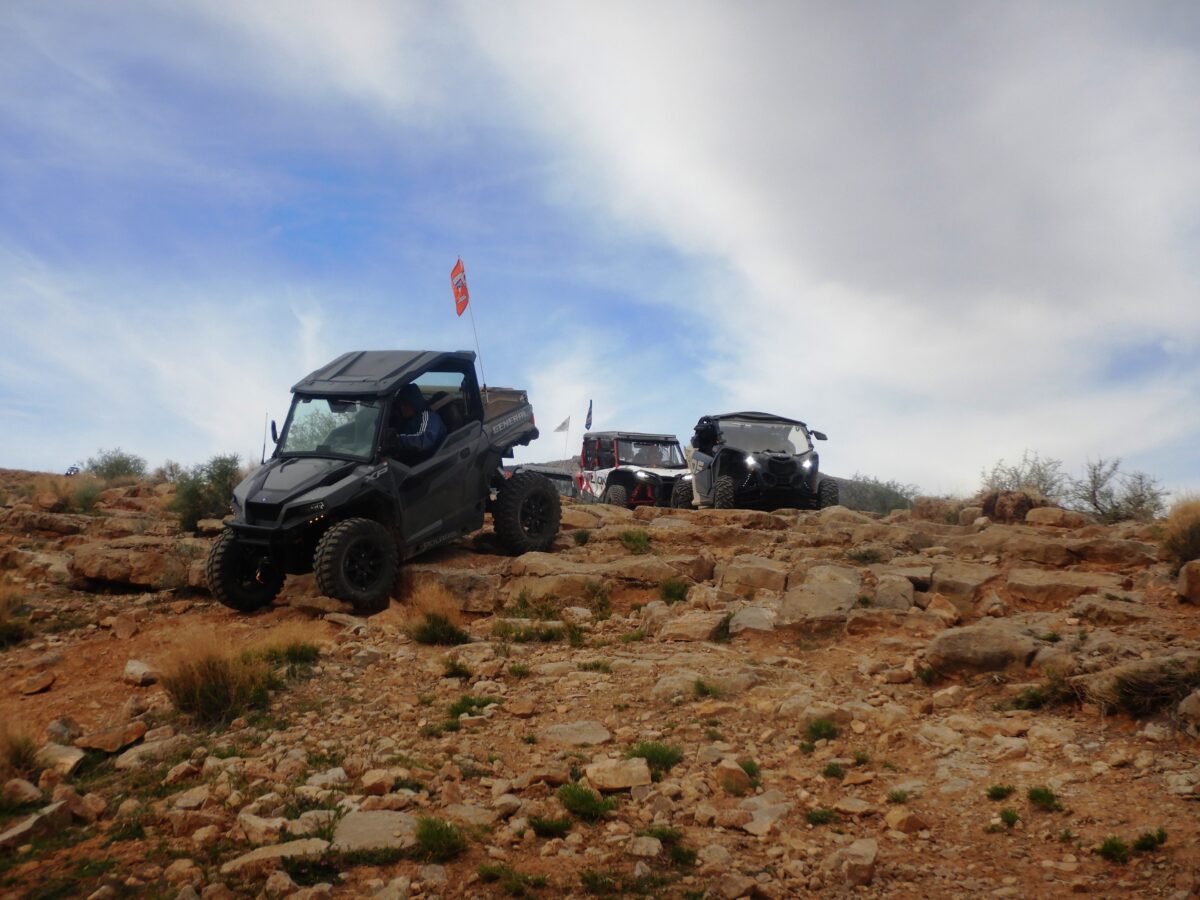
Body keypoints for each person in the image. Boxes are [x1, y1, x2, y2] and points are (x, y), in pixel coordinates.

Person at [389, 383, 447, 464]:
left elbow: (424, 441)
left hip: (429, 463)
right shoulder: (408, 419)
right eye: (400, 404)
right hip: (411, 459)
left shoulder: (429, 417)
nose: (402, 408)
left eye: (405, 404)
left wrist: (397, 440)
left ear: (414, 403)